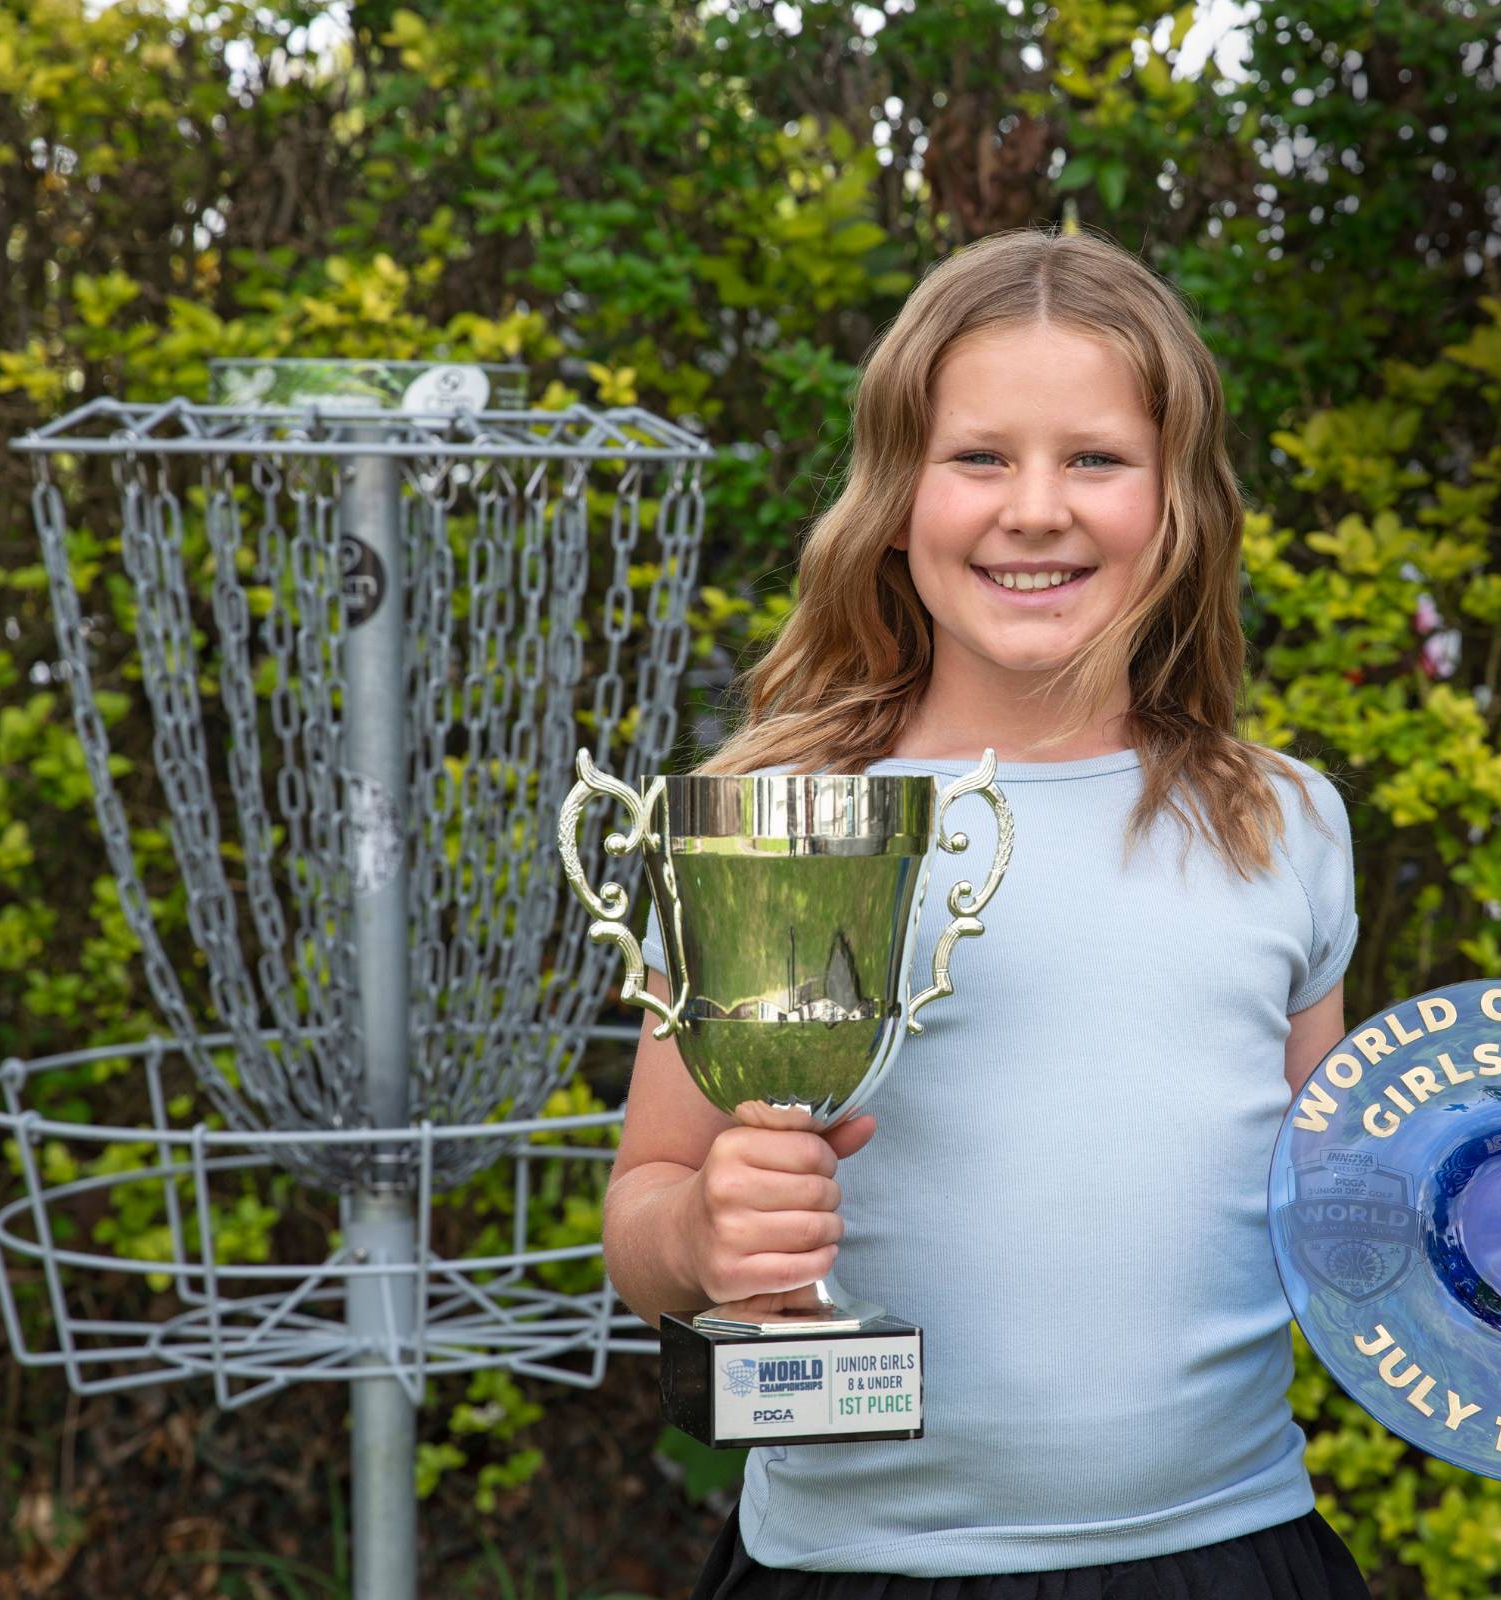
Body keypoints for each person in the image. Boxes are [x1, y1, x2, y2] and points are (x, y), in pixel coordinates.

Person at [601, 224, 1370, 1600]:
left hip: (1225, 1550)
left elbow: (1346, 1201)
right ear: (896, 501)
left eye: (1095, 458)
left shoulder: (1283, 820)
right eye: (979, 457)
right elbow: (645, 1214)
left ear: (1179, 503)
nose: (1035, 508)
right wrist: (704, 1234)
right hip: (858, 1567)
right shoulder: (777, 816)